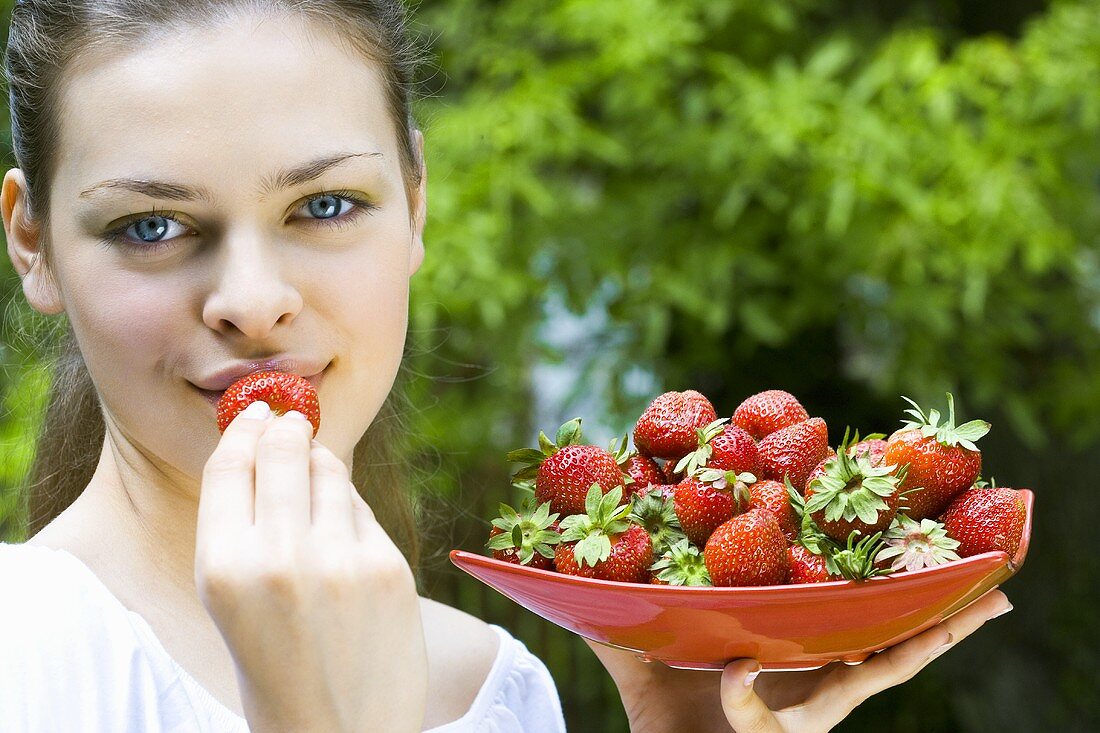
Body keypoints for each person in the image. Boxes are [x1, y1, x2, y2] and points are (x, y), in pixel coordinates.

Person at [0, 1, 1012, 731]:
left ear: (416, 204)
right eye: (152, 224)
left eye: (322, 207)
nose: (253, 298)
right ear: (32, 242)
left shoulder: (496, 682)